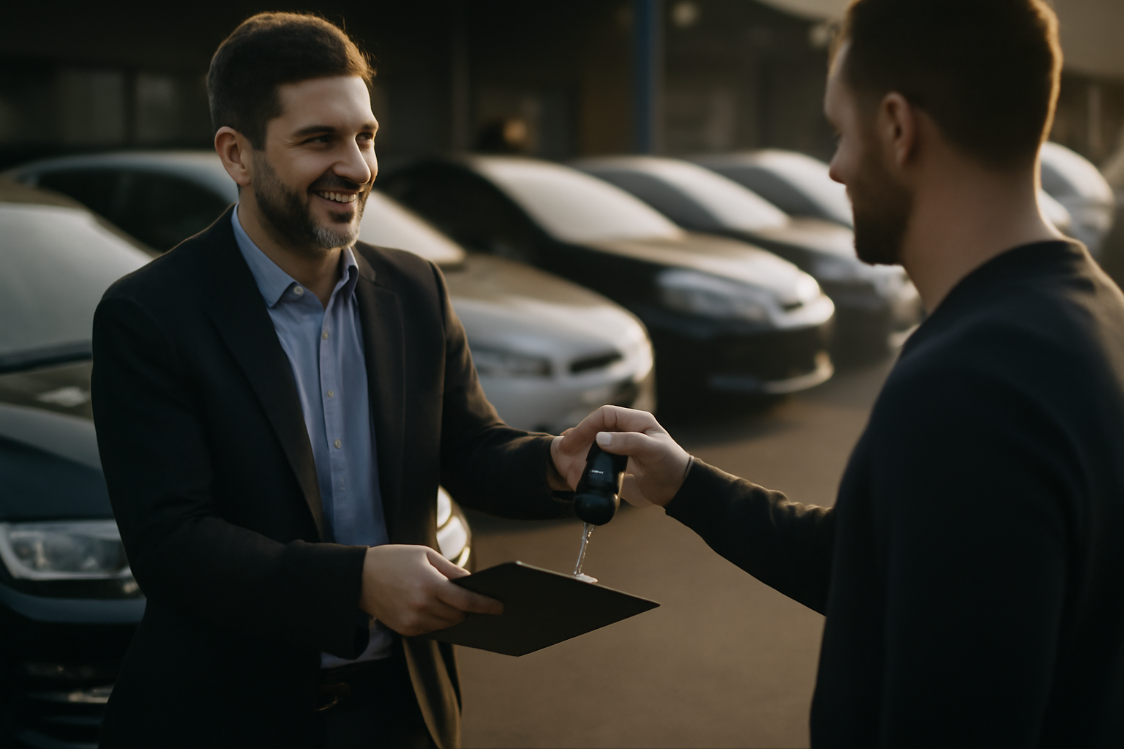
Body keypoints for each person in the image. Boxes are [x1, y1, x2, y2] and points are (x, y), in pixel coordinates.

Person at [558, 0, 1124, 745]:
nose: (835, 167)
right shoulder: (1094, 315)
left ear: (896, 127)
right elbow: (886, 570)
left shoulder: (969, 389)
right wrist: (689, 485)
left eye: (839, 129)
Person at [91, 13, 587, 749]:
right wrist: (355, 580)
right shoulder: (148, 314)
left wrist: (553, 463)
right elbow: (173, 545)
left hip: (403, 712)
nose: (356, 166)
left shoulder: (416, 289)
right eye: (319, 139)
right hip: (227, 719)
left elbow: (469, 447)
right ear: (237, 154)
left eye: (366, 136)